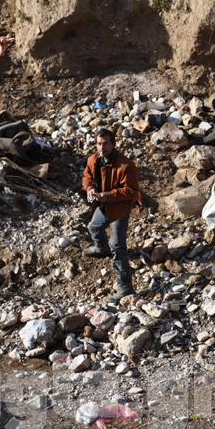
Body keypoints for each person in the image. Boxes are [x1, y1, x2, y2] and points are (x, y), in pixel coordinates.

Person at [82, 128, 140, 303]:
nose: (102, 147)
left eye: (105, 143)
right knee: (93, 227)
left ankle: (126, 289)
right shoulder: (93, 160)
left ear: (114, 144)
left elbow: (131, 190)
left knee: (118, 246)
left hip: (120, 208)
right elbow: (87, 176)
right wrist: (90, 188)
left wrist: (109, 195)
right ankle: (101, 248)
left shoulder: (125, 165)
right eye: (99, 143)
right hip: (104, 203)